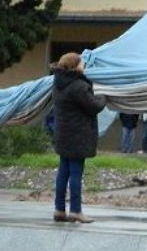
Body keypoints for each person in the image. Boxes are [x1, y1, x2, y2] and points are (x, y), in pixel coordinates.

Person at [52, 52, 106, 223]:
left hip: (63, 135)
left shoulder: (57, 83)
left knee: (63, 173)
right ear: (75, 67)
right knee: (76, 173)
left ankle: (59, 210)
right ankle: (76, 210)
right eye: (82, 63)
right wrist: (104, 96)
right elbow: (94, 106)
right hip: (78, 136)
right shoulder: (78, 87)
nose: (84, 66)